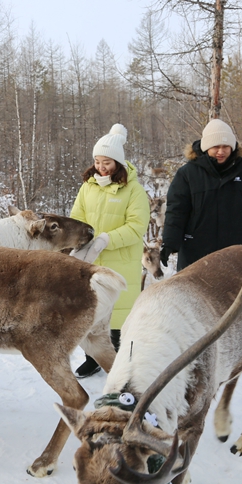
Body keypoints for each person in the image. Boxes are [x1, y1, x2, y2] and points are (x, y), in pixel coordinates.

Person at [70, 124, 150, 378]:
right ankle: (92, 358)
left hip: (120, 260)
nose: (101, 167)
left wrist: (106, 239)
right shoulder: (88, 186)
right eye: (97, 161)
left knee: (117, 314)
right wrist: (78, 240)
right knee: (90, 311)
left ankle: (121, 361)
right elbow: (76, 218)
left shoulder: (133, 190)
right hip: (90, 261)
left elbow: (137, 227)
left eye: (106, 162)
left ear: (118, 162)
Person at [160, 118, 242, 272]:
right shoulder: (187, 174)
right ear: (206, 146)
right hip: (196, 253)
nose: (221, 151)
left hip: (234, 253)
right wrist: (169, 243)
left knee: (233, 295)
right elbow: (177, 211)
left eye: (226, 146)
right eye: (216, 147)